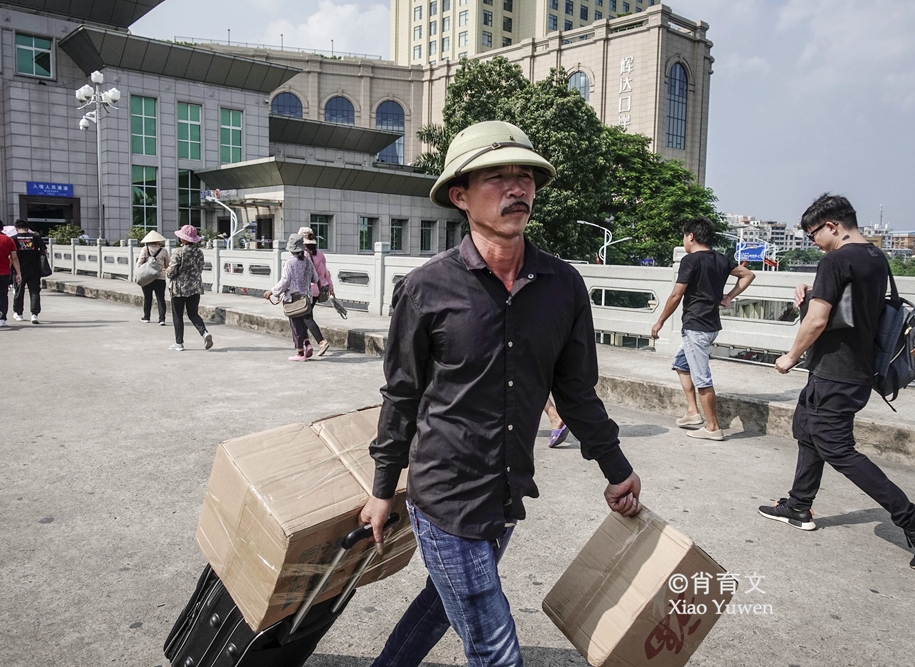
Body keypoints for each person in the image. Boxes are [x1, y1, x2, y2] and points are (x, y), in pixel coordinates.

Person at [358, 120, 643, 667]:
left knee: (442, 606)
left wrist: (616, 467)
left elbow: (576, 391)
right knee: (494, 646)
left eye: (526, 177)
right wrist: (382, 485)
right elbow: (402, 394)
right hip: (445, 493)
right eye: (497, 178)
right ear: (460, 196)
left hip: (508, 487)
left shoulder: (562, 286)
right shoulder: (427, 287)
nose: (517, 189)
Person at [759, 194, 915, 569]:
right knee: (806, 429)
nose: (814, 242)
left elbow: (816, 321)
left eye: (814, 234)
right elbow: (855, 307)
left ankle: (909, 517)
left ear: (832, 226)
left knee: (838, 448)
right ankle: (798, 505)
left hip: (835, 371)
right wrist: (811, 295)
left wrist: (790, 357)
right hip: (855, 369)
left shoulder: (836, 259)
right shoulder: (876, 258)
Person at [650, 217, 755, 441]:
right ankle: (692, 412)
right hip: (710, 325)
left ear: (691, 236)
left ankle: (713, 427)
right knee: (681, 364)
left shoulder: (691, 260)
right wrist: (729, 297)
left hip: (696, 327)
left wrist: (659, 321)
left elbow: (676, 295)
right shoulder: (721, 259)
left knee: (702, 378)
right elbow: (748, 275)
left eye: (684, 236)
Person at [264, 233, 319, 362]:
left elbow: (285, 281)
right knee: (304, 323)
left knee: (296, 326)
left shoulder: (289, 263)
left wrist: (272, 292)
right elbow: (315, 278)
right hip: (306, 299)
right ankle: (308, 345)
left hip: (294, 300)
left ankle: (300, 353)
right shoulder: (308, 262)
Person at [165, 225, 212, 351]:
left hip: (179, 289)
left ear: (183, 239)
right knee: (193, 313)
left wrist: (167, 271)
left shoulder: (179, 252)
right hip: (195, 287)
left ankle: (179, 343)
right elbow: (200, 268)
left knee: (178, 315)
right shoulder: (199, 252)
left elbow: (171, 271)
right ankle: (204, 333)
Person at [298, 226, 333, 357]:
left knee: (306, 317)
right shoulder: (320, 254)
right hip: (318, 289)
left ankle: (321, 342)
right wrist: (331, 288)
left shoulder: (304, 255)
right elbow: (325, 273)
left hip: (308, 290)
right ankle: (307, 344)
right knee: (306, 317)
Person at [11, 219, 47, 324]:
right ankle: (34, 314)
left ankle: (18, 313)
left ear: (16, 228)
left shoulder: (13, 239)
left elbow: (11, 255)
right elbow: (44, 250)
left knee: (19, 291)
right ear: (27, 228)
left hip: (19, 270)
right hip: (34, 269)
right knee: (34, 292)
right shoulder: (36, 237)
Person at [136, 230, 170, 325]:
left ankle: (146, 317)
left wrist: (137, 274)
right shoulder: (164, 251)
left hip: (147, 277)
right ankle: (162, 319)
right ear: (158, 241)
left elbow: (140, 262)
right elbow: (167, 264)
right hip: (160, 277)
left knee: (147, 297)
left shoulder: (145, 249)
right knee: (160, 298)